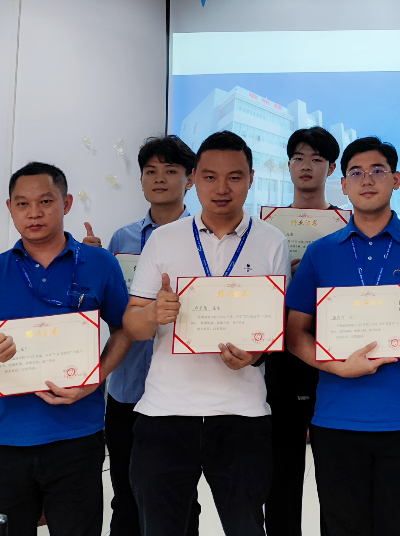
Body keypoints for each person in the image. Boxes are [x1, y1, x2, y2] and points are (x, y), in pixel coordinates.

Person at [0, 162, 132, 536]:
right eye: (22, 204)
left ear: (66, 203)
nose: (34, 213)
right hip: (5, 439)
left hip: (78, 435)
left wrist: (96, 377)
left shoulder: (100, 264)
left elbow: (124, 330)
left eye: (46, 201)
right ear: (9, 208)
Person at [285, 137, 400, 536]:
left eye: (378, 171)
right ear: (343, 185)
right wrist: (337, 367)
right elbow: (295, 335)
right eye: (357, 173)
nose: (367, 180)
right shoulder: (320, 252)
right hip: (336, 420)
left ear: (396, 180)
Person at [123, 131, 290, 536]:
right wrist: (154, 313)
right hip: (165, 412)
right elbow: (132, 324)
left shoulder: (272, 241)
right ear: (194, 178)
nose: (222, 188)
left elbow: (275, 325)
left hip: (242, 413)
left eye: (235, 177)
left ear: (251, 179)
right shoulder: (164, 239)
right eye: (211, 177)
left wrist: (256, 353)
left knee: (246, 527)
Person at [102, 136, 199, 536]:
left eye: (171, 170)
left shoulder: (203, 236)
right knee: (125, 492)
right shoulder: (121, 240)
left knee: (180, 497)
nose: (159, 179)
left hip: (182, 391)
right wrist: (92, 263)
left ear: (190, 179)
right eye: (150, 171)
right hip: (128, 385)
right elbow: (114, 313)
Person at [266, 126, 342, 536]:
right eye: (298, 158)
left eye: (316, 158)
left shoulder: (350, 225)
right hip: (283, 354)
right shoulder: (268, 229)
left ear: (331, 167)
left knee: (337, 473)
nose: (306, 166)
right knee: (282, 470)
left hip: (336, 350)